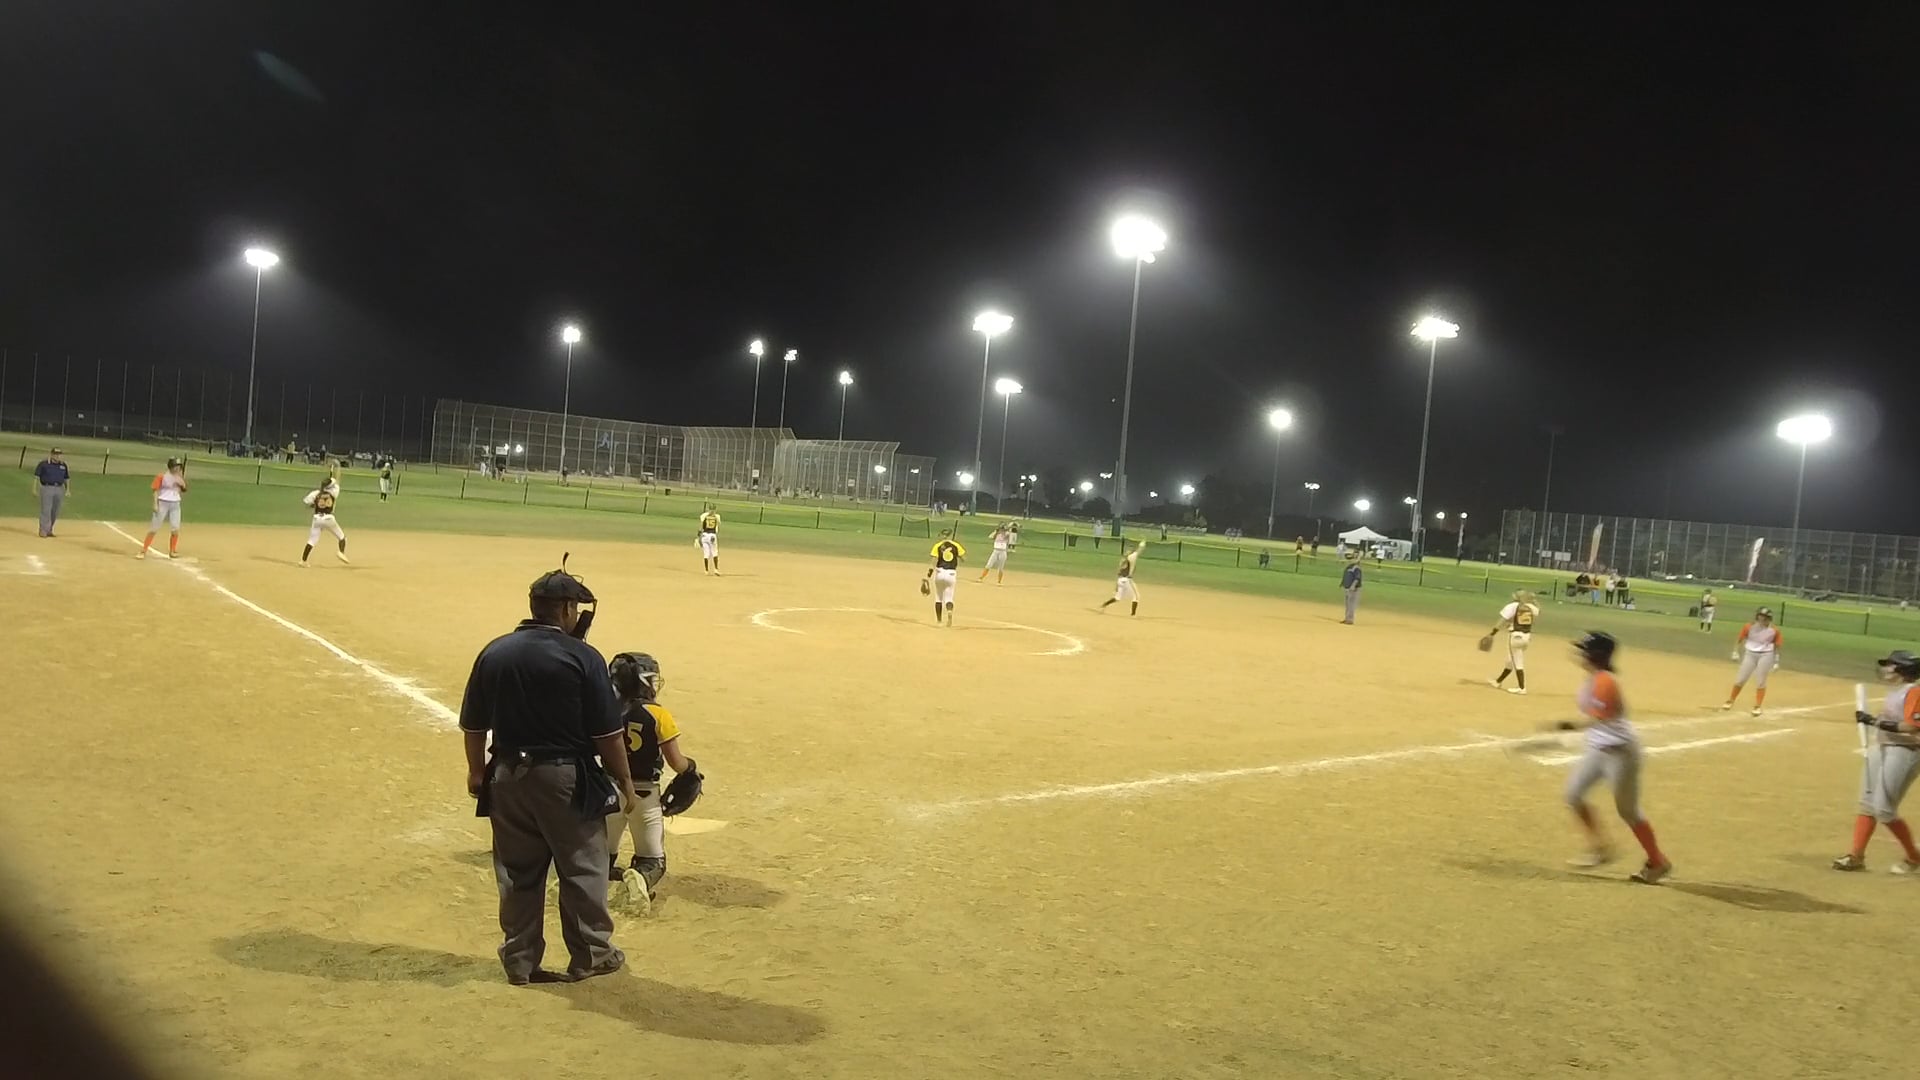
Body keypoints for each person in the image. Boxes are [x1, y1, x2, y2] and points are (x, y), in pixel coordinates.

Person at [461, 562, 635, 984]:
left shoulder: (495, 651)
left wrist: (476, 771)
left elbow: (473, 724)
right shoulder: (583, 657)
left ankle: (519, 962)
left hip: (506, 776)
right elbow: (608, 734)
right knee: (582, 867)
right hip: (564, 779)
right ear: (567, 609)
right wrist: (626, 781)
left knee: (517, 873)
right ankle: (591, 954)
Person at [1551, 632, 1672, 883]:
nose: (1580, 654)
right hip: (1599, 749)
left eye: (1585, 650)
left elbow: (1600, 717)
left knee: (1628, 811)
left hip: (1621, 753)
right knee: (1573, 794)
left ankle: (1658, 861)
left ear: (1596, 655)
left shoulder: (1606, 681)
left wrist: (1570, 726)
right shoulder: (1593, 678)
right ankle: (1601, 848)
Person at [604, 652, 697, 908]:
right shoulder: (658, 714)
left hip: (609, 791)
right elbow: (677, 763)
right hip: (644, 796)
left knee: (601, 853)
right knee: (652, 860)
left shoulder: (605, 710)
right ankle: (641, 877)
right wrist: (691, 768)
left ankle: (590, 875)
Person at [1834, 650, 1920, 874]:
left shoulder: (1914, 692)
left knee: (1883, 809)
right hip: (1882, 747)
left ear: (1902, 670)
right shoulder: (1895, 691)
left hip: (1905, 751)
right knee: (1866, 803)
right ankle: (1856, 856)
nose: (1886, 669)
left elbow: (1912, 727)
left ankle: (1914, 857)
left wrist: (1873, 721)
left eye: (1890, 665)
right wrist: (1873, 722)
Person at [1722, 607, 1782, 716]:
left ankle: (1757, 706)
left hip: (1766, 655)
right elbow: (1740, 639)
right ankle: (1731, 700)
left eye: (1764, 617)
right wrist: (1735, 651)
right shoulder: (1749, 627)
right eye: (1760, 616)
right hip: (1750, 654)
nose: (1761, 618)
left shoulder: (1774, 630)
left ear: (1769, 618)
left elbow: (1777, 646)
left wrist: (1776, 661)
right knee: (1740, 679)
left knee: (1761, 681)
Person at [1486, 589, 1540, 695]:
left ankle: (1522, 687)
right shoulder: (1530, 607)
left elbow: (1502, 621)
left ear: (1516, 596)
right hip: (1526, 637)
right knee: (1510, 660)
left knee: (1518, 662)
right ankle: (1498, 682)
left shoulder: (1512, 606)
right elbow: (1538, 612)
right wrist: (1535, 600)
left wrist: (1493, 633)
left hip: (1515, 637)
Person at [137, 458, 188, 560]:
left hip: (175, 504)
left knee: (175, 528)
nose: (178, 468)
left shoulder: (179, 477)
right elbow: (155, 490)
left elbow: (184, 489)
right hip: (163, 504)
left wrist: (183, 484)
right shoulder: (162, 476)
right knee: (154, 528)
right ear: (171, 466)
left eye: (179, 466)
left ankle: (172, 551)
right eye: (176, 466)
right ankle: (143, 550)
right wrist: (155, 504)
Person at [299, 470, 350, 567]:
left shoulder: (316, 493)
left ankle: (303, 561)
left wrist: (314, 504)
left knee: (312, 540)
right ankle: (341, 552)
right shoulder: (334, 492)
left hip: (317, 518)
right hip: (329, 518)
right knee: (342, 537)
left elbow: (307, 502)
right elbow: (336, 485)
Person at [925, 529, 965, 625]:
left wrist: (928, 575)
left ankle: (939, 621)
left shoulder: (938, 546)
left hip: (939, 573)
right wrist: (956, 555)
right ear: (951, 536)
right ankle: (949, 612)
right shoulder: (956, 545)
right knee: (949, 598)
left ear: (943, 536)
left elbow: (934, 561)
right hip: (951, 573)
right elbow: (963, 558)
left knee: (938, 597)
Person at [32, 447, 70, 538]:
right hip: (47, 487)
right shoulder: (44, 464)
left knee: (55, 511)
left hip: (59, 488)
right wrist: (34, 488)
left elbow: (66, 478)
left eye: (59, 454)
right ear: (51, 454)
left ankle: (49, 529)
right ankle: (43, 530)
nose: (57, 456)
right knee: (46, 510)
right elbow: (36, 477)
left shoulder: (63, 465)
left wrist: (68, 489)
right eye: (56, 454)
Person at [1101, 541, 1146, 616]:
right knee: (1136, 596)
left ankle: (1105, 604)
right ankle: (1133, 614)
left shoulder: (1122, 560)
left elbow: (1118, 573)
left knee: (1117, 598)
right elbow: (1139, 551)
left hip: (1120, 580)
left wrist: (1116, 586)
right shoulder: (1131, 557)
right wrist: (1142, 544)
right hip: (1127, 580)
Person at [697, 506, 721, 575]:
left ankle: (706, 571)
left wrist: (698, 536)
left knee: (706, 553)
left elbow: (701, 526)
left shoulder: (704, 516)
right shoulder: (717, 516)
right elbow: (718, 525)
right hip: (712, 535)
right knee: (714, 552)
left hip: (704, 535)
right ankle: (716, 570)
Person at [1340, 555, 1362, 624]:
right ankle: (1347, 618)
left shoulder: (1356, 568)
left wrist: (1353, 586)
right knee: (1347, 604)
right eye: (1349, 559)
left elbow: (1357, 578)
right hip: (1347, 588)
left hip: (1353, 589)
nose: (1349, 560)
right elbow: (1346, 576)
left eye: (1351, 559)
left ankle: (1350, 619)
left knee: (1351, 604)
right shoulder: (1348, 567)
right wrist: (1342, 583)